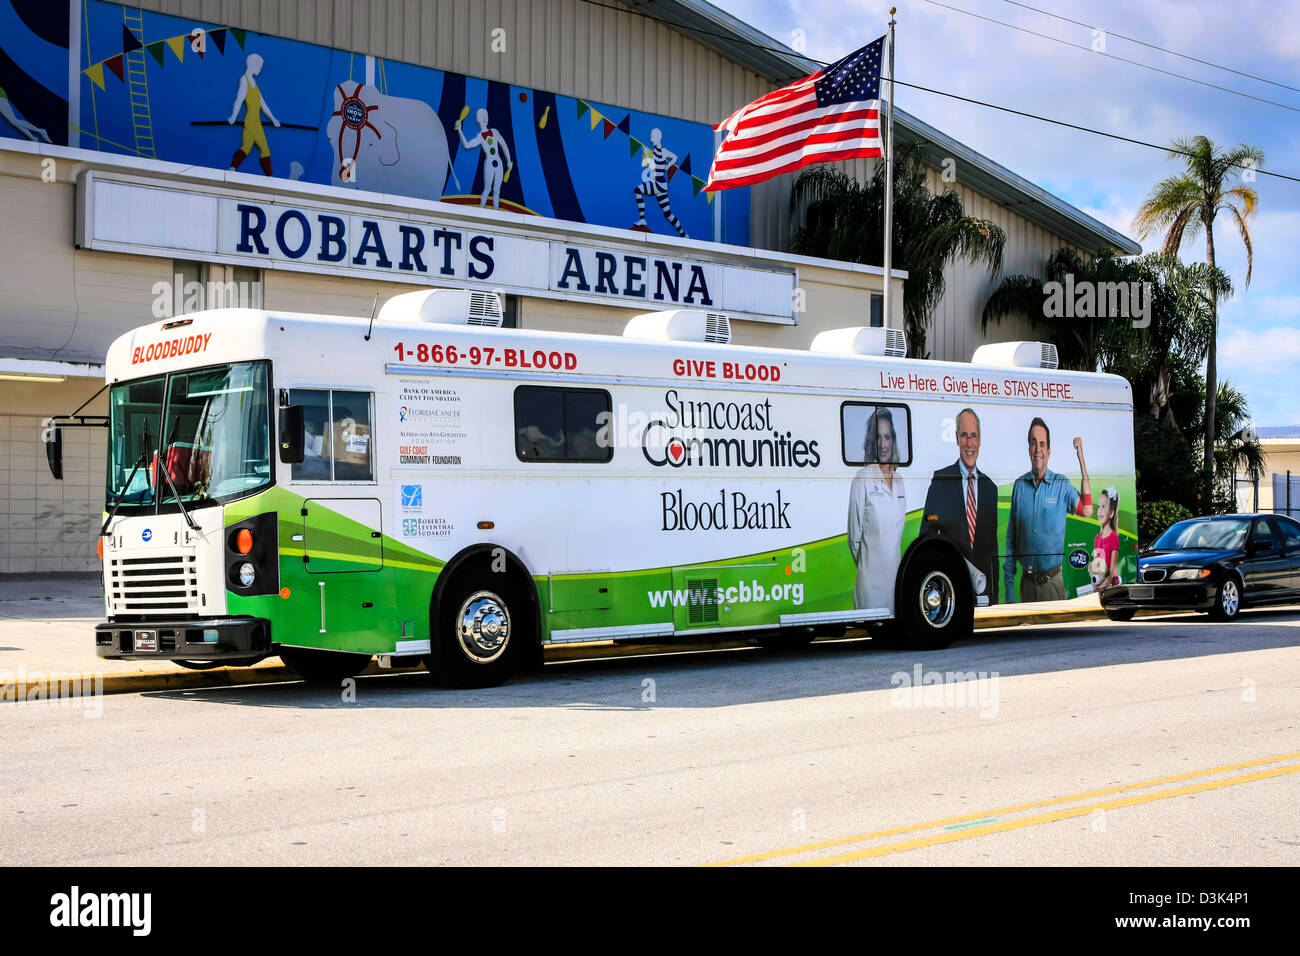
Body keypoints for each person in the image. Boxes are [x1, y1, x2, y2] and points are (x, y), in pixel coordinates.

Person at [1004, 418, 1093, 602]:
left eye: (1042, 444)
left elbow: (1087, 510)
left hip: (1052, 584)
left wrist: (1081, 457)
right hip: (1026, 585)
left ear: (1049, 451)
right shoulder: (1020, 486)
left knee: (1054, 632)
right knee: (1026, 631)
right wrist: (1009, 589)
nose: (1038, 449)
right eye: (1033, 443)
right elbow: (1011, 538)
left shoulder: (1061, 485)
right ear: (1029, 448)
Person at [922, 408, 999, 604]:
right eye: (964, 435)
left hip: (983, 590)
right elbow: (926, 539)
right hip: (950, 586)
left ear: (980, 440)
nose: (969, 443)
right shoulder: (941, 481)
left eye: (973, 436)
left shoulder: (990, 488)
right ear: (956, 438)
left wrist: (994, 596)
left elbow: (992, 551)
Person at [848, 407, 907, 612]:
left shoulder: (900, 482)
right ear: (872, 442)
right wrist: (869, 565)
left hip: (895, 584)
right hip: (869, 586)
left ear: (893, 440)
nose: (883, 444)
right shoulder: (862, 478)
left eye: (887, 437)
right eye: (878, 438)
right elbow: (854, 540)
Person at [227, 53, 280, 176]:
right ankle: (270, 177)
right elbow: (239, 100)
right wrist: (233, 117)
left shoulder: (254, 83)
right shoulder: (244, 80)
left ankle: (232, 168)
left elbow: (263, 104)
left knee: (246, 147)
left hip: (254, 121)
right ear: (254, 65)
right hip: (252, 122)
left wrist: (273, 119)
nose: (260, 69)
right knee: (265, 149)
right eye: (260, 66)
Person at [632, 128, 687, 238]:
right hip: (660, 185)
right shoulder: (656, 152)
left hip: (659, 184)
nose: (651, 140)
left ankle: (642, 219)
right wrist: (648, 156)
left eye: (652, 137)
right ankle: (683, 234)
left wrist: (667, 166)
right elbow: (653, 169)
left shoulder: (663, 151)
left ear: (658, 138)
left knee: (638, 190)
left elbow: (675, 157)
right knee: (668, 214)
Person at [455, 108, 513, 209]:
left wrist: (508, 160)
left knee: (497, 190)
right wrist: (459, 130)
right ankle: (481, 209)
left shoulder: (494, 132)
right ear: (479, 119)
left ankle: (496, 212)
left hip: (498, 162)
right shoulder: (480, 136)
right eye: (481, 116)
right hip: (489, 162)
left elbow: (504, 145)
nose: (483, 118)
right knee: (487, 188)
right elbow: (467, 145)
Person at [1093, 487, 1121, 589]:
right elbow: (1096, 563)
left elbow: (1112, 570)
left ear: (1111, 513)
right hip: (1101, 580)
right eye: (1098, 506)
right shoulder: (1097, 538)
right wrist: (1094, 582)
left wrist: (1103, 585)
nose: (1099, 510)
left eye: (1103, 507)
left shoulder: (1113, 537)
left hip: (1111, 583)